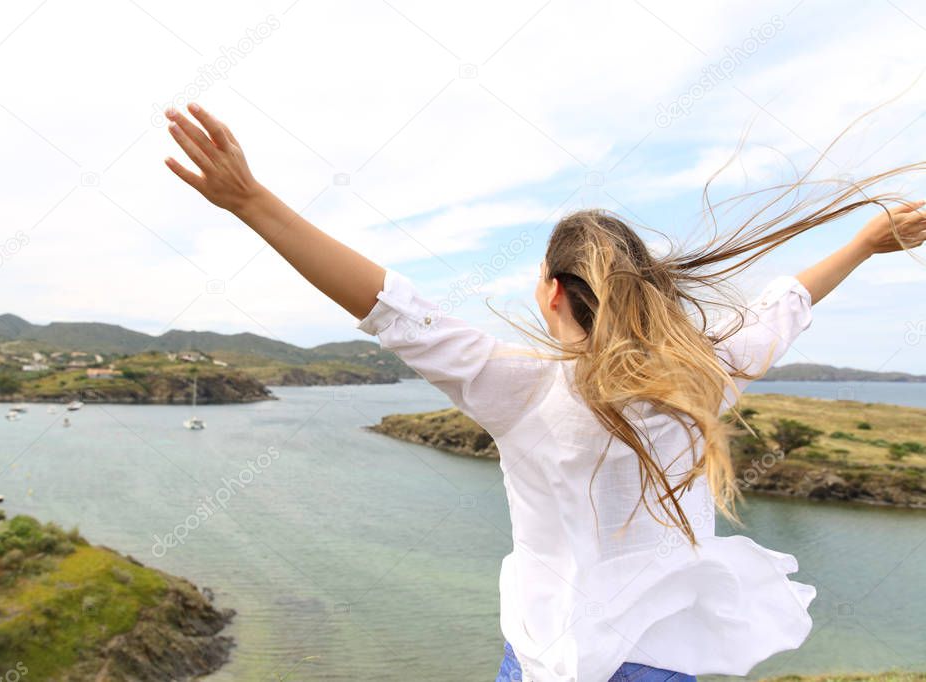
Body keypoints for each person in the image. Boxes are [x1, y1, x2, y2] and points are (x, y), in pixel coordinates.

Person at [163, 102, 926, 682]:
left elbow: (388, 306)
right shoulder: (705, 376)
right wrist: (863, 242)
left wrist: (249, 201)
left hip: (549, 659)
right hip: (662, 662)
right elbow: (783, 305)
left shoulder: (518, 387)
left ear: (553, 293)